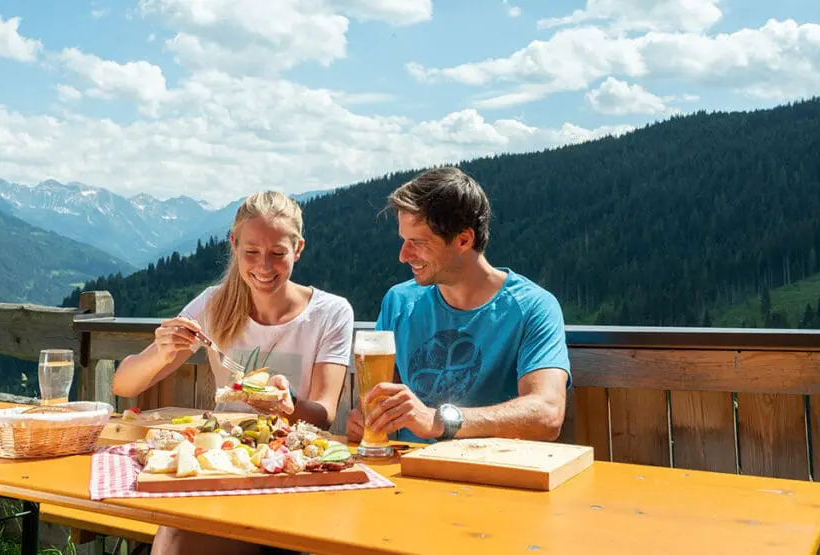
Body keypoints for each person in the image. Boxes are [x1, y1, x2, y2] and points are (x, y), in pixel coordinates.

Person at [113, 190, 354, 555]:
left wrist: (286, 403)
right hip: (222, 463)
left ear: (298, 249)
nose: (264, 266)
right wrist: (161, 352)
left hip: (291, 474)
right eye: (251, 252)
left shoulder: (330, 313)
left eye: (278, 253)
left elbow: (323, 414)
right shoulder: (214, 303)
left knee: (176, 540)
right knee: (174, 535)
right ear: (234, 245)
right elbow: (124, 383)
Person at [346, 166, 571, 446]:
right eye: (404, 241)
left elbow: (547, 415)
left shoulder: (533, 307)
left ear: (464, 240)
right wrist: (363, 420)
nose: (403, 256)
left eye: (417, 242)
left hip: (489, 468)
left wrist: (439, 421)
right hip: (406, 465)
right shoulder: (399, 301)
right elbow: (377, 402)